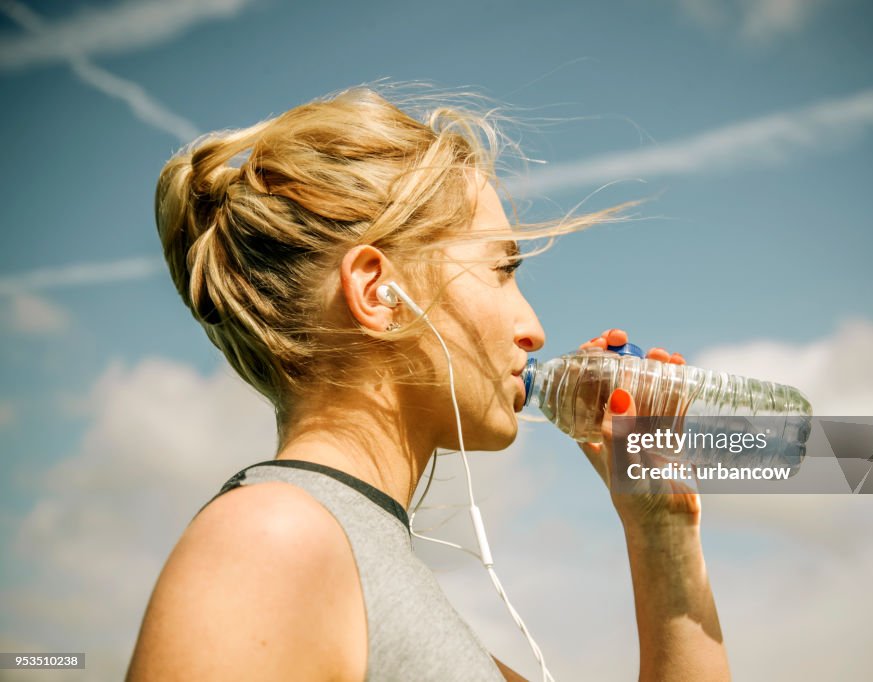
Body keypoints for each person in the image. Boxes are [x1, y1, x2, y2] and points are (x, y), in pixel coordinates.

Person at [126, 83, 730, 681]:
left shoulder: (369, 582)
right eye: (501, 269)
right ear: (378, 293)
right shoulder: (271, 541)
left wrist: (663, 532)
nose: (535, 330)